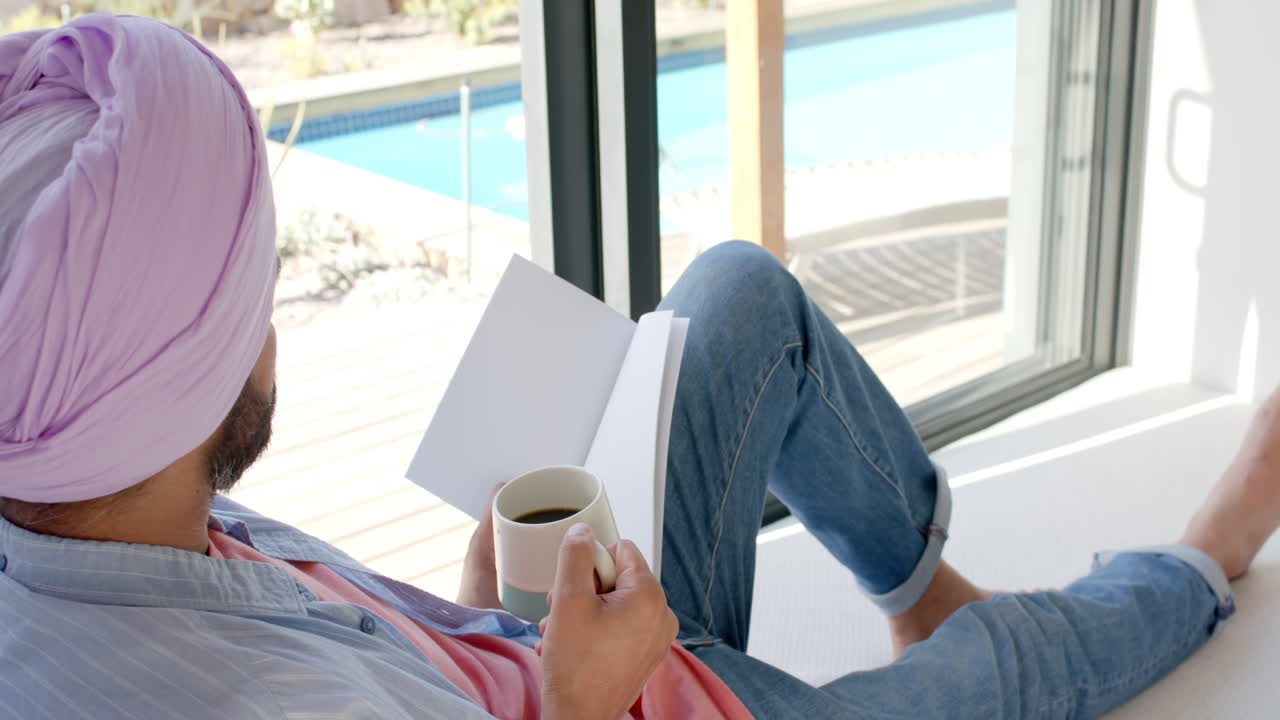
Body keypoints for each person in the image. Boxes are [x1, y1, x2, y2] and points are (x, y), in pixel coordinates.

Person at [0, 14, 1273, 719]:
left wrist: (480, 618)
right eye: (250, 297)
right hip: (621, 699)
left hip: (555, 656)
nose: (269, 316)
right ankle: (1206, 553)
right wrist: (577, 701)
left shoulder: (74, 494)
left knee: (738, 291)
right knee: (1003, 670)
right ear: (176, 382)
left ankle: (915, 589)